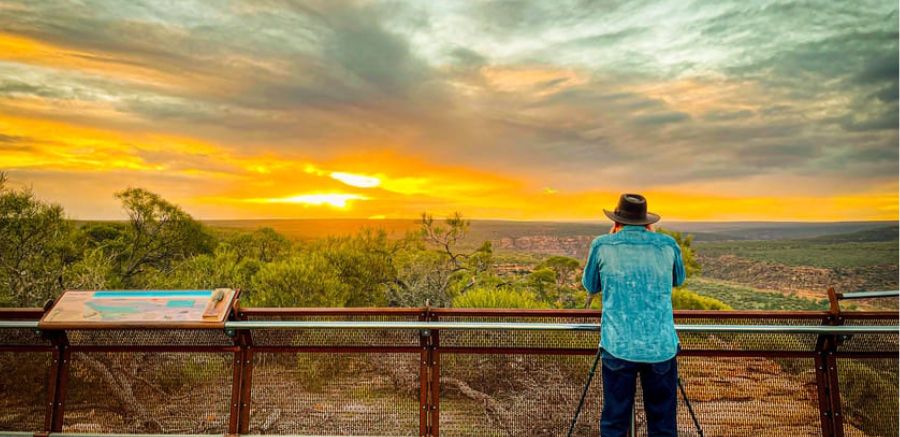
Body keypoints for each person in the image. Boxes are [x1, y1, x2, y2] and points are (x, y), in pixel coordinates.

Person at [582, 193, 686, 436]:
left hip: (618, 345)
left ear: (616, 221)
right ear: (648, 223)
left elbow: (591, 285)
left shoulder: (602, 245)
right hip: (660, 347)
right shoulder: (668, 244)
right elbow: (678, 279)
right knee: (663, 424)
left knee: (615, 422)